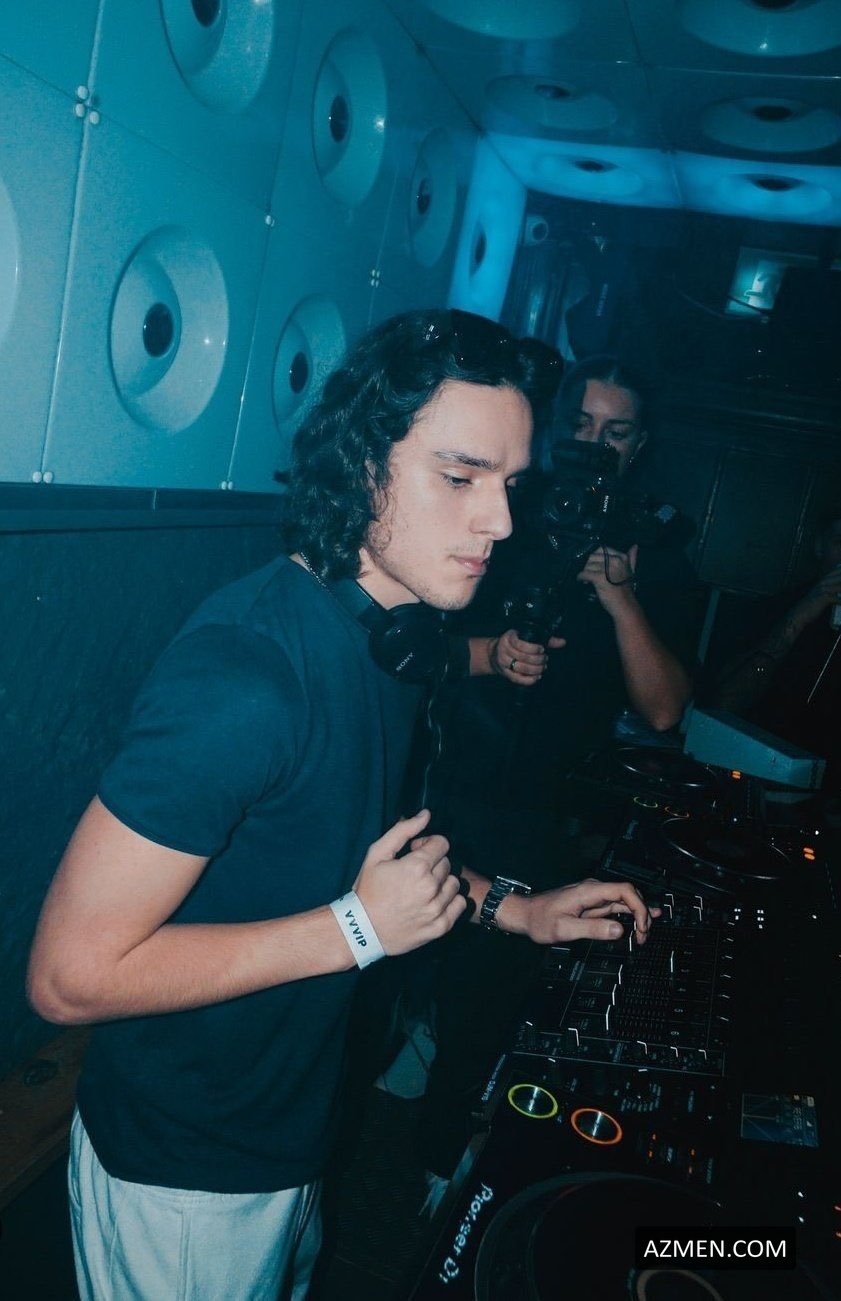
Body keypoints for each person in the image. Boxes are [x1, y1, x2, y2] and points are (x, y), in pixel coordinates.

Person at [26, 309, 658, 1301]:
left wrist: (519, 909)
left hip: (291, 1131)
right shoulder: (246, 680)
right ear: (364, 466)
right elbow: (67, 976)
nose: (499, 521)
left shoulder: (390, 642)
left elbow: (376, 864)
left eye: (508, 484)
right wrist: (357, 929)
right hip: (188, 1167)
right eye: (460, 476)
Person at [413, 355, 698, 1191]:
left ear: (638, 443)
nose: (594, 445)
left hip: (544, 815)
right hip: (445, 783)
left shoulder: (653, 546)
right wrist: (490, 651)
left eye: (615, 431)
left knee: (488, 999)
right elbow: (409, 648)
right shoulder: (502, 512)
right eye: (580, 425)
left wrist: (618, 596)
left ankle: (436, 1165)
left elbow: (665, 709)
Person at [706, 509, 841, 790]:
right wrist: (798, 619)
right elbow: (724, 703)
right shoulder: (776, 609)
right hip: (761, 773)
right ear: (820, 546)